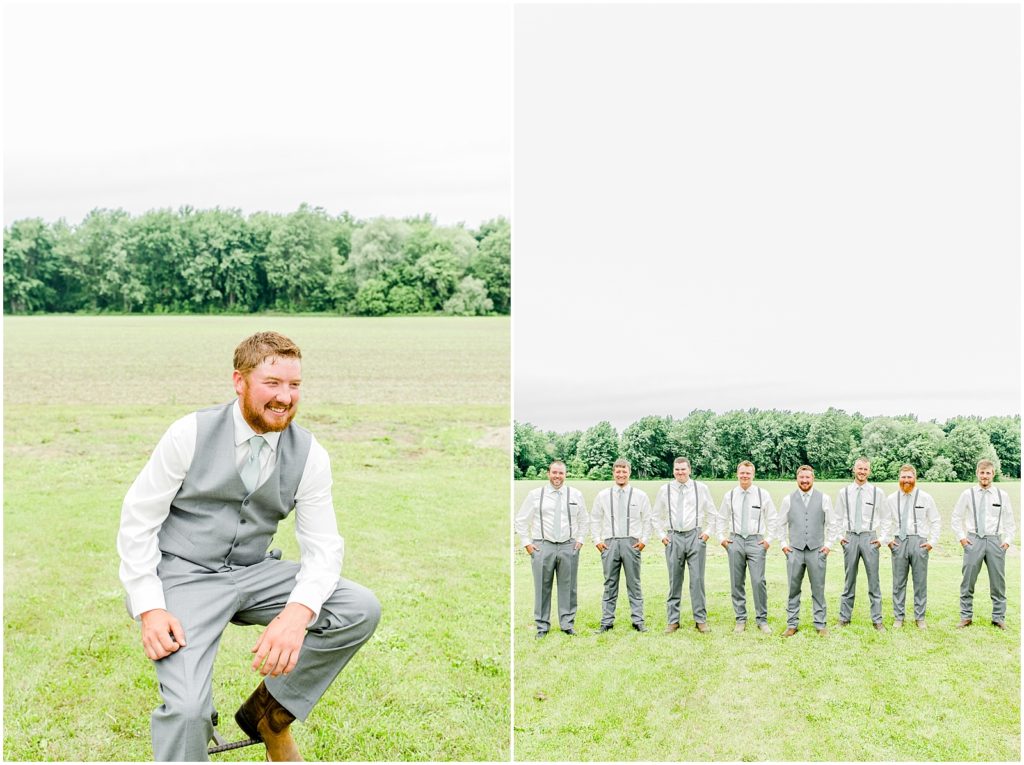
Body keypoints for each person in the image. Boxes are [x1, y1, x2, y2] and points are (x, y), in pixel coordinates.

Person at [117, 331, 381, 761]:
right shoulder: (189, 433)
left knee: (358, 607)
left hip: (254, 571)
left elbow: (324, 548)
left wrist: (297, 614)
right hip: (185, 575)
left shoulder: (310, 454)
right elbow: (138, 521)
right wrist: (150, 608)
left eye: (294, 385)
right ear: (239, 381)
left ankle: (269, 714)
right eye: (272, 383)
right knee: (187, 712)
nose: (285, 397)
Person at [515, 460, 589, 637]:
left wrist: (579, 541)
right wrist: (527, 544)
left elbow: (584, 519)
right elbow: (521, 520)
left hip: (567, 546)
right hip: (543, 546)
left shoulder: (575, 494)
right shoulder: (535, 495)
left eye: (561, 473)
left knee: (569, 587)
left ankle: (567, 624)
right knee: (542, 587)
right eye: (554, 472)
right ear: (548, 473)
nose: (557, 476)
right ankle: (542, 626)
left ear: (566, 474)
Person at [951, 459, 1016, 630]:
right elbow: (956, 517)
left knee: (998, 582)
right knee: (968, 580)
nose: (985, 476)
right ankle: (966, 616)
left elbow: (1010, 521)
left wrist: (1007, 541)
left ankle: (998, 618)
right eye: (982, 472)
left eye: (988, 473)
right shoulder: (968, 494)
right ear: (977, 473)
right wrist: (962, 538)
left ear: (993, 474)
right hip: (973, 540)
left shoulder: (1002, 496)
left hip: (995, 541)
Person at [652, 457, 715, 633]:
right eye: (677, 469)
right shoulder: (665, 489)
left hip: (695, 536)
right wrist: (662, 536)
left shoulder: (700, 488)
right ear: (673, 470)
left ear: (689, 470)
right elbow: (655, 515)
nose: (680, 472)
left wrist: (707, 533)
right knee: (674, 580)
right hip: (674, 538)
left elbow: (712, 513)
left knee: (697, 580)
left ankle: (700, 619)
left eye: (683, 469)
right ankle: (673, 620)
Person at [590, 458, 652, 632]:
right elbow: (594, 518)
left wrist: (644, 541)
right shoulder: (603, 495)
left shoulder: (640, 495)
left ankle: (638, 620)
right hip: (610, 542)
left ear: (629, 473)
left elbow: (647, 519)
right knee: (610, 584)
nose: (621, 474)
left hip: (631, 542)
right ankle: (607, 621)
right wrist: (597, 541)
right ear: (613, 473)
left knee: (634, 583)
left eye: (624, 471)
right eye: (618, 471)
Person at [715, 461, 776, 634]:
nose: (745, 476)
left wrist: (768, 540)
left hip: (756, 542)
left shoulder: (762, 494)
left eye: (748, 473)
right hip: (735, 541)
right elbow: (721, 518)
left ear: (753, 475)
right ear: (737, 474)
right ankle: (740, 619)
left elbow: (772, 518)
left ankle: (762, 620)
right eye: (742, 473)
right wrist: (722, 539)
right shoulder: (731, 495)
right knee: (737, 582)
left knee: (758, 581)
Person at [777, 465, 837, 637]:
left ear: (813, 479)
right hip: (794, 550)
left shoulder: (824, 498)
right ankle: (792, 624)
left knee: (818, 589)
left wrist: (828, 545)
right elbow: (780, 523)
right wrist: (783, 544)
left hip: (817, 550)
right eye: (801, 477)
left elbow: (832, 523)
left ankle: (820, 624)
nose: (804, 481)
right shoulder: (788, 499)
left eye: (807, 477)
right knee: (793, 589)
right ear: (797, 478)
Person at [881, 463, 940, 629]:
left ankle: (919, 617)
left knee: (920, 582)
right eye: (903, 477)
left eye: (909, 477)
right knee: (898, 582)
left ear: (915, 478)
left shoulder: (925, 498)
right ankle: (898, 617)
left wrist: (931, 543)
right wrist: (888, 541)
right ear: (899, 478)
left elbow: (935, 520)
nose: (906, 480)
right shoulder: (891, 499)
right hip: (899, 541)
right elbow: (885, 520)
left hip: (919, 541)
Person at [834, 458, 886, 631]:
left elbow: (886, 517)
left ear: (869, 471)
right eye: (859, 468)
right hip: (850, 538)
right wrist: (841, 537)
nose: (862, 472)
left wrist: (882, 538)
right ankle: (844, 618)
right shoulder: (845, 492)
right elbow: (837, 517)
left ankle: (877, 620)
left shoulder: (877, 492)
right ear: (854, 470)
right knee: (849, 580)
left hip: (869, 538)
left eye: (865, 469)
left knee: (874, 581)